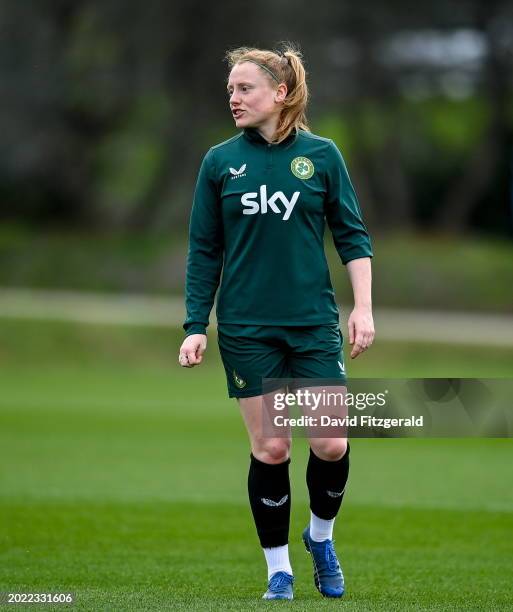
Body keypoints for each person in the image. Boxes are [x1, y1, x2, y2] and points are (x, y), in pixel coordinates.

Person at [179, 43, 374, 601]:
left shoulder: (324, 156)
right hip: (246, 328)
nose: (234, 98)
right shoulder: (219, 163)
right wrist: (196, 323)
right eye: (231, 90)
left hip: (312, 325)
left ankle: (320, 538)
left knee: (332, 444)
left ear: (280, 94)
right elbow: (204, 249)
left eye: (245, 89)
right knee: (272, 449)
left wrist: (361, 308)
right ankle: (278, 570)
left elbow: (353, 236)